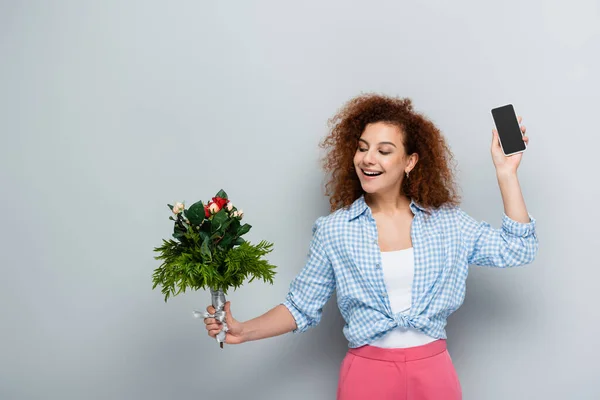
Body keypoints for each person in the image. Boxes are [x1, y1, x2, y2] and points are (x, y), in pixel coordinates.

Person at [203, 94, 538, 399]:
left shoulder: (448, 223)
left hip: (433, 374)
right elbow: (300, 307)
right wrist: (244, 330)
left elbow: (517, 249)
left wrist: (506, 173)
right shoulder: (335, 230)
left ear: (410, 162)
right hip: (366, 375)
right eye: (362, 148)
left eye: (384, 150)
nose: (367, 159)